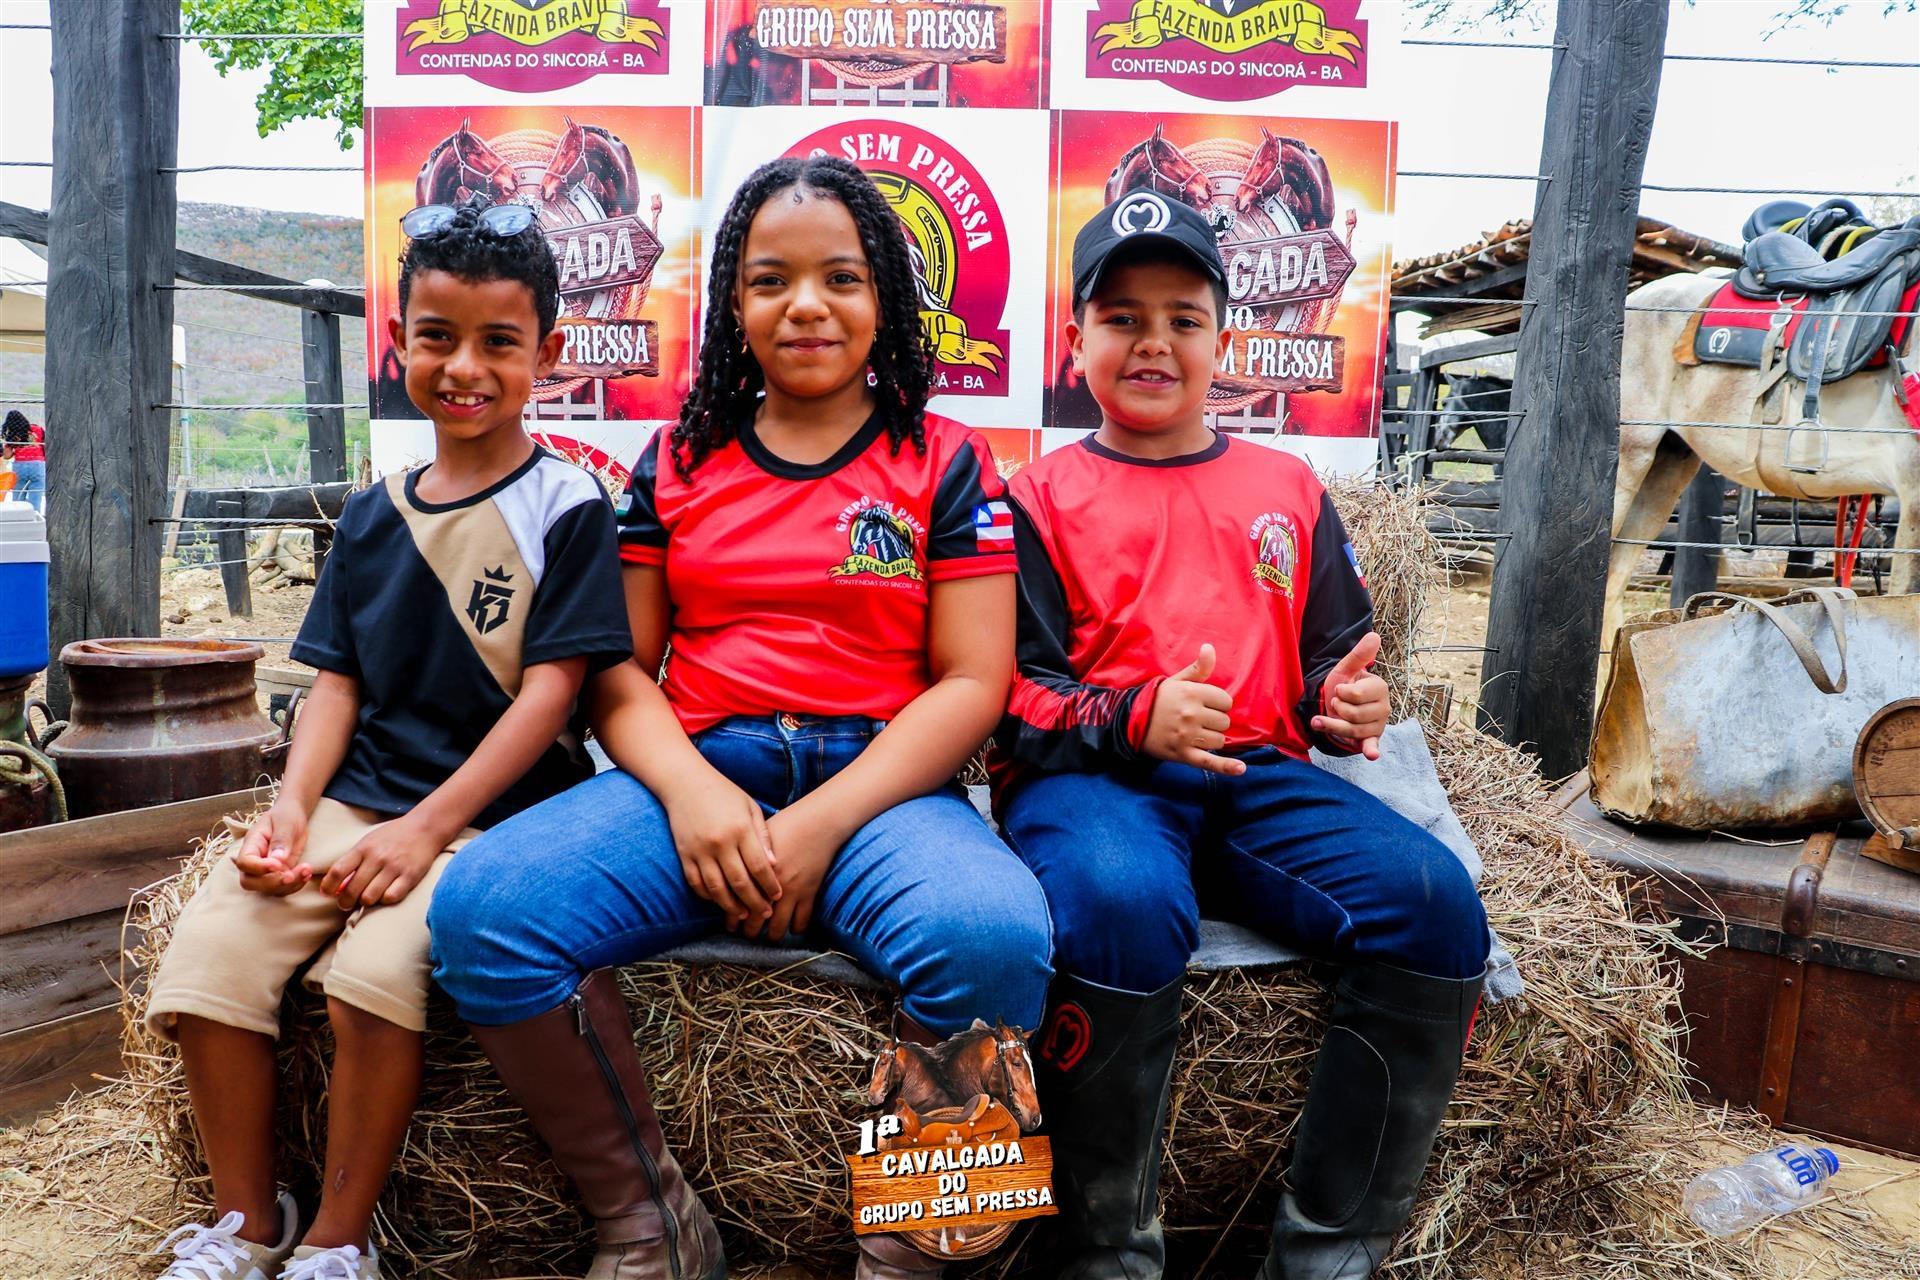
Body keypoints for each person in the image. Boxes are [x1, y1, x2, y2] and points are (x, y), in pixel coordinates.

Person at [428, 155, 1054, 1280]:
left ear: (886, 300)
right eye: (771, 280)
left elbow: (973, 683)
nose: (806, 305)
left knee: (995, 935)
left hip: (883, 790)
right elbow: (619, 671)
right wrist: (694, 793)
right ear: (733, 303)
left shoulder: (950, 460)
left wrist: (817, 828)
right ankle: (649, 1223)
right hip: (702, 771)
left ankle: (916, 1258)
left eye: (841, 278)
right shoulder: (676, 458)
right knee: (485, 911)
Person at [991, 191, 1490, 1280]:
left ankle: (1327, 1255)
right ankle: (1103, 1258)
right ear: (1075, 340)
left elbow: (1333, 662)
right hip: (1097, 785)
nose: (1153, 342)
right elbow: (1008, 696)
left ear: (1225, 341)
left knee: (1436, 901)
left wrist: (1347, 707)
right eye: (1122, 318)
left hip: (1258, 778)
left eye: (1183, 317)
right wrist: (1133, 714)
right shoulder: (1035, 497)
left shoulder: (1286, 486)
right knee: (1120, 903)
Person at [144, 197, 632, 1280]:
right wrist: (290, 809)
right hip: (357, 803)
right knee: (211, 956)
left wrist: (423, 830)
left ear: (548, 355)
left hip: (494, 825)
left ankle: (339, 1239)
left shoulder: (568, 507)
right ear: (398, 342)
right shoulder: (371, 513)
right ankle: (245, 1224)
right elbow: (337, 683)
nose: (464, 367)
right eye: (437, 337)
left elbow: (551, 698)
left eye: (498, 341)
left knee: (371, 973)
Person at [1, 409, 43, 511]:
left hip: (20, 465)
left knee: (18, 498)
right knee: (36, 497)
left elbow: (6, 455)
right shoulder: (37, 429)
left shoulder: (13, 434)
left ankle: (19, 516)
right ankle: (34, 516)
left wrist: (15, 451)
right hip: (37, 465)